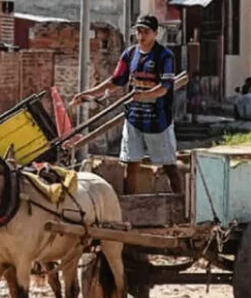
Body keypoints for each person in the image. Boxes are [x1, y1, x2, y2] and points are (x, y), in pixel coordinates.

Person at [71, 14, 182, 195]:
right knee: (130, 166)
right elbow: (115, 81)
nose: (141, 35)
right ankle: (130, 206)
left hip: (158, 121)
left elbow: (165, 87)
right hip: (134, 119)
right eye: (139, 31)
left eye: (146, 31)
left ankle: (179, 204)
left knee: (169, 166)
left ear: (155, 33)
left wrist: (145, 95)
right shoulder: (129, 55)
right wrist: (87, 94)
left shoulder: (164, 56)